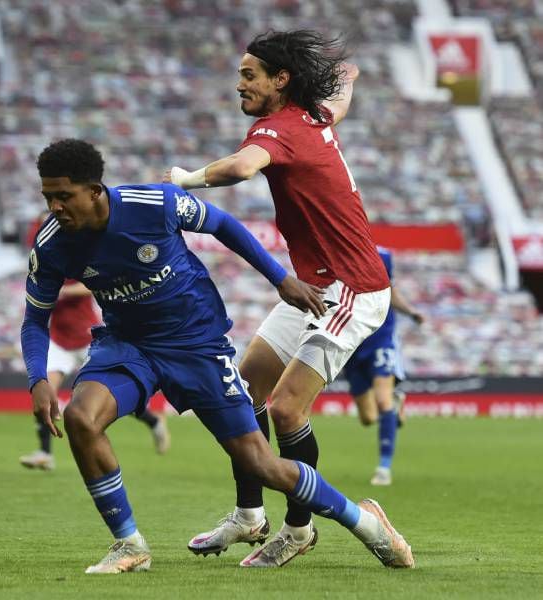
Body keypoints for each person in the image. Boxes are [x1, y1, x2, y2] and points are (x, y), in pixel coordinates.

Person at [23, 138, 413, 574]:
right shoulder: (52, 243)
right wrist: (38, 379)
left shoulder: (155, 204)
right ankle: (129, 544)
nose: (55, 207)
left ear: (95, 190)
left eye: (63, 196)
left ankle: (366, 523)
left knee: (259, 463)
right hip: (127, 345)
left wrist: (280, 278)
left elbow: (224, 225)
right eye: (48, 197)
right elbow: (33, 320)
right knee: (81, 418)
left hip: (196, 344)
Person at [167, 30, 396, 567]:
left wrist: (187, 179)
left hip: (352, 290)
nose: (239, 84)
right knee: (245, 389)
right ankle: (250, 516)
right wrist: (346, 80)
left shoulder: (280, 128)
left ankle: (298, 528)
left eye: (250, 75)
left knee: (288, 408)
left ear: (280, 80)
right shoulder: (313, 116)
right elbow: (338, 101)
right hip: (315, 287)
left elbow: (243, 168)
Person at [19, 277, 170, 471]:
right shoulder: (49, 263)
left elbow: (90, 285)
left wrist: (63, 291)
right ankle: (45, 454)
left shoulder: (76, 261)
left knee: (107, 394)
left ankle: (153, 421)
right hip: (59, 340)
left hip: (86, 336)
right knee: (46, 393)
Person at [343, 247, 424, 486]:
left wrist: (411, 312)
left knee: (383, 401)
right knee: (368, 417)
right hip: (352, 343)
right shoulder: (339, 254)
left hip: (381, 340)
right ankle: (395, 405)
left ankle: (383, 468)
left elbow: (390, 291)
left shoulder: (383, 256)